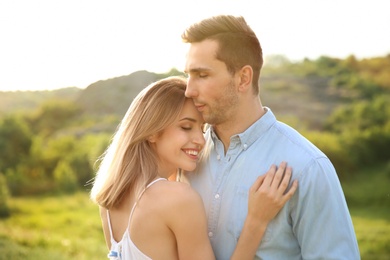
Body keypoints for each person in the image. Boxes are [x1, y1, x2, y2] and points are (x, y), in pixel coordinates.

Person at [181, 14, 360, 259]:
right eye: (188, 75)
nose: (189, 90)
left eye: (202, 75)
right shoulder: (186, 158)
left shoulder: (307, 167)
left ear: (243, 78)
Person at [90, 76, 298, 260]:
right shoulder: (178, 199)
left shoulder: (109, 200)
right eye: (186, 127)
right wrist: (256, 222)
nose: (200, 140)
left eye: (202, 128)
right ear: (151, 132)